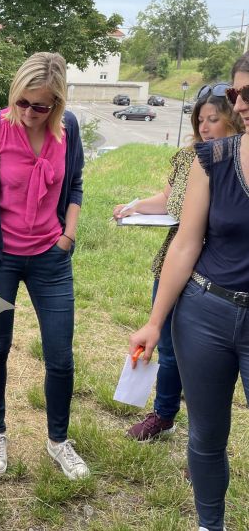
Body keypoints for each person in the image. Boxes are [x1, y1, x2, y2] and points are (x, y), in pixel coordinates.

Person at [129, 52, 249, 531]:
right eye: (237, 93)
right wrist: (155, 322)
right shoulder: (212, 159)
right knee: (206, 434)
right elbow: (186, 243)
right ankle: (209, 525)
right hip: (207, 313)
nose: (241, 104)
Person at [0, 52, 89, 480]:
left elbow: (74, 184)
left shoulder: (68, 130)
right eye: (24, 103)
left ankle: (58, 441)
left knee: (60, 355)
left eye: (42, 106)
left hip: (51, 260)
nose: (31, 114)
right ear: (14, 95)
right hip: (0, 262)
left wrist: (67, 235)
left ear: (57, 104)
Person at [114, 84, 243, 441]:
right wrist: (134, 206)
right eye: (200, 119)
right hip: (175, 262)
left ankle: (204, 443)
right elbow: (169, 200)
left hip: (216, 274)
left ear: (233, 120)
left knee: (212, 364)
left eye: (213, 119)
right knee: (168, 347)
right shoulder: (189, 158)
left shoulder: (237, 163)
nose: (204, 126)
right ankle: (164, 415)